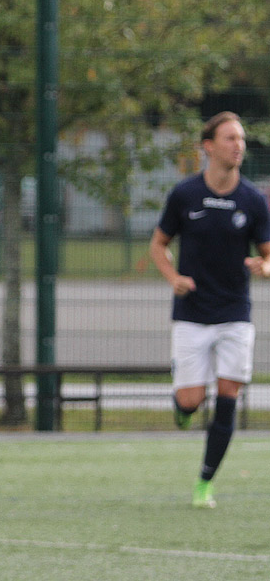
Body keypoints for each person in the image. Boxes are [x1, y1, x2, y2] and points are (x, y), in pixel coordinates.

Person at [150, 111, 270, 509]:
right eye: (230, 138)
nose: (238, 145)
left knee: (228, 394)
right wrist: (173, 278)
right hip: (192, 312)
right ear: (209, 146)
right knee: (190, 399)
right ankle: (182, 408)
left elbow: (268, 255)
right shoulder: (185, 195)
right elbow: (159, 245)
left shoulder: (253, 200)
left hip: (235, 312)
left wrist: (264, 266)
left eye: (241, 138)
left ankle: (205, 482)